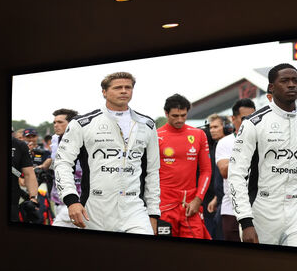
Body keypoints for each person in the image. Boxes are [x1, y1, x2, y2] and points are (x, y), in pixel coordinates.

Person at [227, 64, 297, 249]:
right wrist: (245, 221)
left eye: (295, 80)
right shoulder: (254, 123)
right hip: (263, 209)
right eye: (285, 81)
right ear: (271, 87)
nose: (291, 85)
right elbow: (236, 174)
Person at [54, 72, 160, 234]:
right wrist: (71, 200)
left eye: (128, 87)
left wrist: (153, 213)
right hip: (95, 208)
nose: (124, 91)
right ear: (104, 92)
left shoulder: (147, 124)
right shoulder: (82, 123)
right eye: (118, 87)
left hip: (133, 207)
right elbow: (62, 163)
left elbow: (152, 171)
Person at [156, 94, 212, 239]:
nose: (180, 120)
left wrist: (198, 199)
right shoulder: (156, 136)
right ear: (166, 113)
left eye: (183, 115)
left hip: (191, 205)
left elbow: (206, 171)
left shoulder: (198, 134)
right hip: (164, 206)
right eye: (175, 116)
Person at [213, 98, 256, 241]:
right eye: (244, 118)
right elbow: (224, 172)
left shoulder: (262, 140)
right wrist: (245, 152)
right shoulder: (225, 142)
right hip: (231, 209)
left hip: (260, 208)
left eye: (253, 117)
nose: (249, 122)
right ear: (233, 119)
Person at [49, 108, 83, 229]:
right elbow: (54, 161)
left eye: (60, 122)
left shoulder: (83, 140)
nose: (56, 125)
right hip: (58, 198)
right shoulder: (55, 140)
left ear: (71, 124)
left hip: (77, 200)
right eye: (54, 122)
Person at [202, 114, 227, 239]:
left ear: (227, 127)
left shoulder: (230, 145)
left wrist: (217, 197)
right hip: (212, 201)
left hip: (226, 202)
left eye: (216, 127)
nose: (212, 130)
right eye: (210, 127)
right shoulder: (212, 148)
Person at [9, 133, 40, 223]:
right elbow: (14, 169)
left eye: (33, 136)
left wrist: (33, 197)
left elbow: (29, 173)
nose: (30, 139)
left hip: (15, 196)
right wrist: (19, 176)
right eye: (28, 137)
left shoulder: (42, 151)